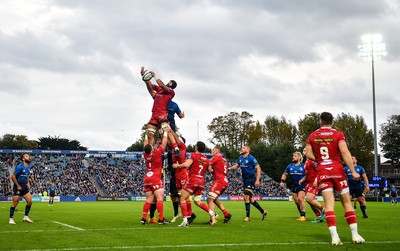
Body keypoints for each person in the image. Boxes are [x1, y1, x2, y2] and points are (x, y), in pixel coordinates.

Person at [306, 112, 365, 245]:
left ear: (320, 121)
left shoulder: (312, 136)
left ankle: (334, 237)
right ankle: (355, 235)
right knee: (346, 203)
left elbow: (309, 154)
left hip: (322, 171)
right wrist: (353, 171)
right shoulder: (338, 134)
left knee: (329, 205)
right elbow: (344, 152)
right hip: (338, 170)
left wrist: (321, 160)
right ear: (332, 121)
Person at [173, 141, 217, 227]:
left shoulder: (194, 155)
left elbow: (186, 164)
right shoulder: (206, 159)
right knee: (197, 201)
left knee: (182, 198)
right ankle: (212, 214)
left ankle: (185, 221)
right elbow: (210, 170)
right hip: (201, 182)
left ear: (196, 147)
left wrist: (177, 166)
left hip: (193, 180)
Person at [140, 66, 180, 155]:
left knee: (165, 129)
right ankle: (151, 151)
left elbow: (161, 85)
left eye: (169, 82)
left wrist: (155, 76)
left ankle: (175, 148)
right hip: (154, 114)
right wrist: (145, 78)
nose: (167, 82)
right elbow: (150, 88)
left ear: (171, 85)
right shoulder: (159, 91)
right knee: (149, 133)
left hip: (162, 113)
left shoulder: (170, 92)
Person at [228, 145, 268, 222]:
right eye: (242, 148)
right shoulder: (240, 158)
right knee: (250, 199)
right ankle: (263, 211)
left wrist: (257, 180)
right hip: (245, 180)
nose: (242, 149)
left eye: (244, 148)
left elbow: (258, 168)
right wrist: (230, 168)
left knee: (246, 195)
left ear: (248, 150)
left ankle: (248, 217)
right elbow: (237, 166)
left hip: (251, 179)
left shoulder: (251, 158)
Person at [140, 128, 170, 225]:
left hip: (147, 179)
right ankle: (161, 219)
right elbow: (164, 143)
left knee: (148, 199)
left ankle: (143, 219)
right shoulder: (156, 154)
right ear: (152, 149)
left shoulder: (145, 154)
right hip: (155, 178)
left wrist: (146, 135)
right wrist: (165, 132)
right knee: (160, 199)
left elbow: (145, 145)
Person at [299, 148, 326, 223]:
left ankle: (324, 210)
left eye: (304, 150)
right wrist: (302, 180)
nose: (303, 151)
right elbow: (308, 173)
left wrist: (316, 180)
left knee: (309, 199)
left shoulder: (313, 161)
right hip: (308, 183)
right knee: (310, 202)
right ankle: (319, 217)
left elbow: (320, 171)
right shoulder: (306, 162)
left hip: (314, 183)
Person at [207, 146, 232, 224]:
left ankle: (212, 218)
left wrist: (209, 169)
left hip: (219, 181)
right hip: (225, 181)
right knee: (214, 199)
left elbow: (209, 165)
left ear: (217, 152)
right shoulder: (224, 160)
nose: (212, 151)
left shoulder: (216, 157)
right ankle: (226, 214)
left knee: (210, 199)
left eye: (213, 150)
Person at [280, 151, 307, 222]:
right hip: (293, 186)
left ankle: (303, 216)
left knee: (300, 199)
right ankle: (301, 214)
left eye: (295, 156)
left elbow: (308, 175)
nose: (293, 157)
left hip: (302, 185)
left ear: (299, 158)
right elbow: (285, 174)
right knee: (296, 201)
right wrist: (282, 181)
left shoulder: (303, 166)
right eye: (293, 156)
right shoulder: (289, 166)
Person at [9, 153, 34, 224]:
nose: (28, 157)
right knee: (15, 203)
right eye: (26, 156)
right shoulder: (19, 167)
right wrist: (17, 185)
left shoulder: (28, 167)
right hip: (18, 187)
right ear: (23, 159)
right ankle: (11, 219)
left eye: (28, 156)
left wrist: (28, 183)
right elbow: (12, 177)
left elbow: (27, 176)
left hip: (24, 187)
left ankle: (26, 217)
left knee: (29, 201)